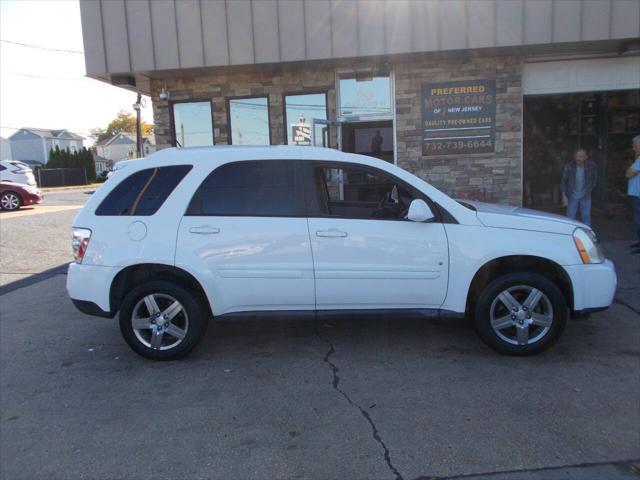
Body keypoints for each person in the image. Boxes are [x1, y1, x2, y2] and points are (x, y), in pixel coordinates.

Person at [560, 148, 597, 226]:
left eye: (580, 156)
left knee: (586, 218)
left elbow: (594, 179)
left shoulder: (591, 166)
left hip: (586, 196)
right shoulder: (569, 166)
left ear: (586, 157)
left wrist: (590, 190)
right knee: (570, 218)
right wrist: (564, 196)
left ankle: (586, 236)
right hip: (572, 195)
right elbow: (563, 181)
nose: (578, 158)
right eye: (576, 156)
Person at [626, 134, 640, 254]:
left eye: (635, 145)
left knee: (639, 220)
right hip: (637, 193)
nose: (633, 148)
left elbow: (629, 173)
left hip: (638, 194)